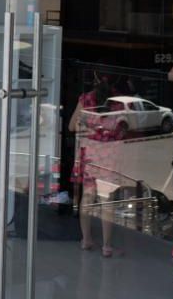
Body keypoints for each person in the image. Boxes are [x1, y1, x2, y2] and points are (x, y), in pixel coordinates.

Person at [68, 75, 118, 258]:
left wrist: (88, 127)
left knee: (88, 197)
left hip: (89, 155)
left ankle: (86, 239)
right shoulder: (120, 102)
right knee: (107, 200)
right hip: (109, 156)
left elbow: (72, 126)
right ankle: (107, 246)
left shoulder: (86, 99)